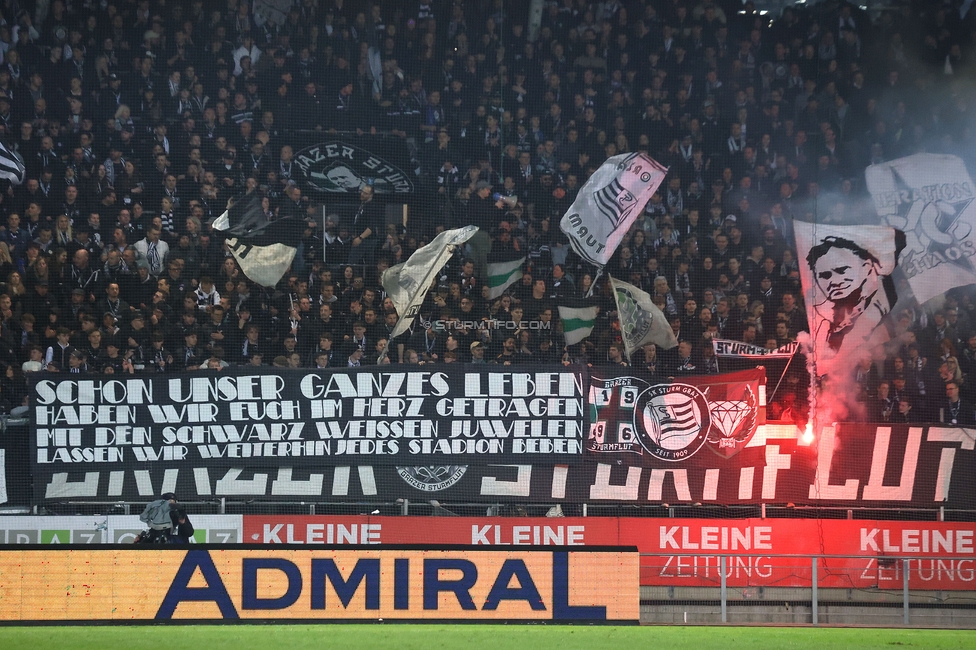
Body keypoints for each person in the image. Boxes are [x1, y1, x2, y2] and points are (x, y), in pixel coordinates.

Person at [806, 235, 894, 374]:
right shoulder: (823, 317)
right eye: (825, 275)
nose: (834, 281)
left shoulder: (883, 304)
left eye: (841, 270)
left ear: (865, 268)